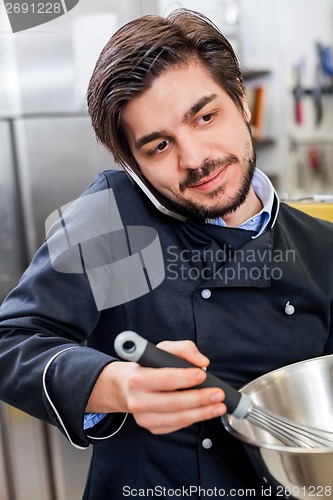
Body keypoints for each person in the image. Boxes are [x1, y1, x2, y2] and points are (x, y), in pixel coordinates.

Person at [0, 8, 333, 499]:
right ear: (131, 164)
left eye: (205, 116)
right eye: (159, 146)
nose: (195, 159)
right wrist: (115, 384)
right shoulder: (116, 222)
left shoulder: (319, 245)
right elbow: (11, 344)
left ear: (241, 101)